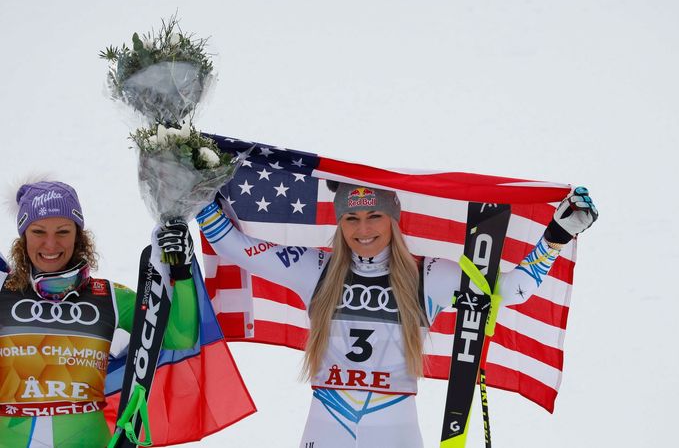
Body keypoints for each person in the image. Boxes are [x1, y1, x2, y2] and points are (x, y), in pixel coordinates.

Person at [196, 182, 598, 448]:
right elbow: (234, 247)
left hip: (395, 428)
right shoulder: (314, 268)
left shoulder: (430, 275)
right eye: (351, 218)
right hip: (327, 422)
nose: (363, 228)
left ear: (393, 221)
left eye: (374, 216)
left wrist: (555, 237)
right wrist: (190, 197)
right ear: (340, 223)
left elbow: (511, 290)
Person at [0, 180, 199, 447]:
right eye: (37, 231)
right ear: (23, 237)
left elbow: (179, 338)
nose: (50, 244)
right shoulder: (4, 292)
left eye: (62, 231)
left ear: (78, 235)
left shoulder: (108, 297)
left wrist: (182, 272)